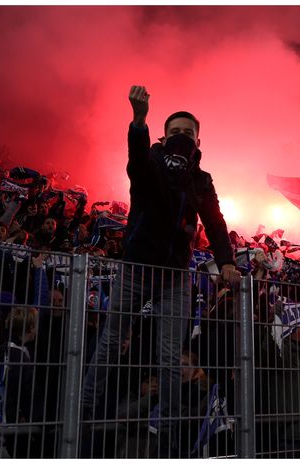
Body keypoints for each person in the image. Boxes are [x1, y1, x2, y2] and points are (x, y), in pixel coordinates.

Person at [81, 85, 240, 458]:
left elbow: (215, 223)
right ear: (162, 136)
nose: (181, 137)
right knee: (109, 345)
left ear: (199, 140)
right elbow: (136, 166)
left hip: (174, 277)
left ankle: (165, 438)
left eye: (188, 133)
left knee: (170, 357)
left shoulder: (201, 180)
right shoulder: (150, 161)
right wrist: (137, 122)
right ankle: (82, 416)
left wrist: (227, 261)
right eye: (175, 132)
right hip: (137, 268)